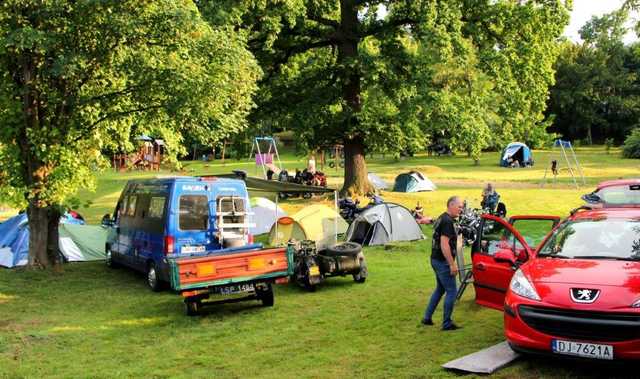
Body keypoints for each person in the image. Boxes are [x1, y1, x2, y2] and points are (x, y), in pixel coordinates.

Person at [422, 196, 464, 331]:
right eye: (459, 206)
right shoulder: (447, 221)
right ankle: (446, 323)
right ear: (451, 205)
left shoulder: (442, 217)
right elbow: (444, 244)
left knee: (440, 289)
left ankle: (427, 318)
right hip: (442, 261)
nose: (461, 209)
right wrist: (452, 264)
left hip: (435, 259)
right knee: (452, 291)